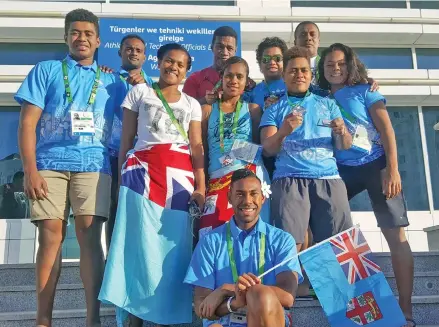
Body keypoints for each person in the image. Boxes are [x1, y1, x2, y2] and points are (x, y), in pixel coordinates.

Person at [15, 8, 117, 327]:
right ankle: (43, 319)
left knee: (89, 236)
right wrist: (29, 170)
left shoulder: (112, 80)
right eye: (75, 32)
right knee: (50, 236)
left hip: (94, 165)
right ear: (65, 37)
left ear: (98, 40)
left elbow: (125, 127)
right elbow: (27, 124)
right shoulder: (45, 70)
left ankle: (92, 319)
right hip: (49, 165)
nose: (81, 38)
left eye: (88, 33)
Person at [98, 43, 205, 327]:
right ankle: (135, 317)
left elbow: (196, 145)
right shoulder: (140, 92)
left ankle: (169, 314)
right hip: (141, 176)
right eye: (169, 61)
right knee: (139, 247)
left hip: (180, 180)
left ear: (186, 70)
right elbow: (127, 140)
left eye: (181, 64)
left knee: (174, 249)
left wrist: (201, 186)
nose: (174, 68)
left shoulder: (192, 104)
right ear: (158, 62)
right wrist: (122, 180)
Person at [318, 43, 415, 327]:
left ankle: (406, 311)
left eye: (341, 64)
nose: (336, 69)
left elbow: (386, 129)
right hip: (341, 171)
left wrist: (393, 170)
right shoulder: (318, 95)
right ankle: (343, 301)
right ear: (321, 70)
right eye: (329, 65)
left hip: (377, 166)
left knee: (395, 235)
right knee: (322, 226)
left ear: (350, 64)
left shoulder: (366, 90)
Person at [260, 46, 353, 252]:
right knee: (291, 248)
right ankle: (297, 286)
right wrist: (284, 130)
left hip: (329, 179)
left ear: (311, 75)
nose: (299, 74)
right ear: (284, 75)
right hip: (289, 180)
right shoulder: (274, 108)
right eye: (293, 70)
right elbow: (267, 150)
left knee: (340, 247)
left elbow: (344, 146)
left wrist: (342, 132)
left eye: (304, 70)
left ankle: (334, 286)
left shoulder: (328, 104)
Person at [185, 168, 302, 327]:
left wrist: (227, 289)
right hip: (226, 319)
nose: (247, 201)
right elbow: (201, 307)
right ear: (229, 198)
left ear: (262, 198)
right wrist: (234, 302)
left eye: (254, 193)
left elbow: (287, 297)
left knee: (261, 294)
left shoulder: (282, 240)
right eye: (240, 194)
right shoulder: (210, 242)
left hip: (268, 318)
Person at [199, 56, 270, 239]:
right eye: (229, 76)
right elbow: (203, 149)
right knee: (211, 233)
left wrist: (237, 152)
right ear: (221, 78)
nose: (234, 81)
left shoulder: (253, 109)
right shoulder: (207, 109)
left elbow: (258, 146)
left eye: (240, 76)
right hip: (216, 179)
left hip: (248, 176)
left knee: (251, 235)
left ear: (246, 82)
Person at [106, 34, 153, 250]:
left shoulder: (155, 84)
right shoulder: (108, 80)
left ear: (145, 57)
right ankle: (112, 264)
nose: (133, 52)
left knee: (144, 211)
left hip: (146, 158)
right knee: (115, 209)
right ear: (120, 52)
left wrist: (145, 87)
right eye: (128, 48)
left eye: (138, 50)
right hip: (114, 154)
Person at [183, 26, 238, 105]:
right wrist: (205, 100)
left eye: (229, 48)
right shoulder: (195, 79)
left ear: (235, 50)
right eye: (220, 47)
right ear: (212, 47)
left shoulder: (242, 82)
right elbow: (185, 109)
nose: (225, 52)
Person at [247, 37, 288, 111]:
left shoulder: (293, 86)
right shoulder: (254, 92)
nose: (272, 62)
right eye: (266, 59)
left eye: (277, 58)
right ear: (260, 64)